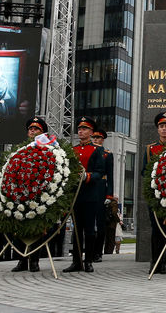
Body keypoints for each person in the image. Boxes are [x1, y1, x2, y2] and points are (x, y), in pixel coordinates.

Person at [63, 117, 105, 273]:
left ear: (91, 132)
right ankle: (76, 261)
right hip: (76, 194)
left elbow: (100, 172)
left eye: (85, 129)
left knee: (89, 229)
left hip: (90, 194)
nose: (81, 131)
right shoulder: (72, 150)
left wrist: (87, 176)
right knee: (76, 229)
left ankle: (88, 261)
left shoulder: (97, 149)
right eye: (79, 129)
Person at [12, 117, 50, 273]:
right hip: (21, 193)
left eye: (36, 130)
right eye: (31, 129)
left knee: (36, 229)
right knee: (20, 228)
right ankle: (21, 260)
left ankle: (34, 260)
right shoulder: (21, 149)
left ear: (42, 132)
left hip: (39, 193)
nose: (33, 132)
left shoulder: (47, 148)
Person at [143, 111, 166, 274]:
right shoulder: (150, 149)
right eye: (161, 126)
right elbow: (144, 171)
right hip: (155, 196)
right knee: (156, 228)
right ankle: (155, 260)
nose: (164, 129)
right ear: (158, 129)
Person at [91, 127, 114, 263]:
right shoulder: (88, 151)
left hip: (100, 189)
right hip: (89, 188)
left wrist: (109, 195)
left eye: (98, 138)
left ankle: (98, 252)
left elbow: (110, 176)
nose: (95, 140)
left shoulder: (107, 154)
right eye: (94, 137)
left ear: (103, 139)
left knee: (100, 223)